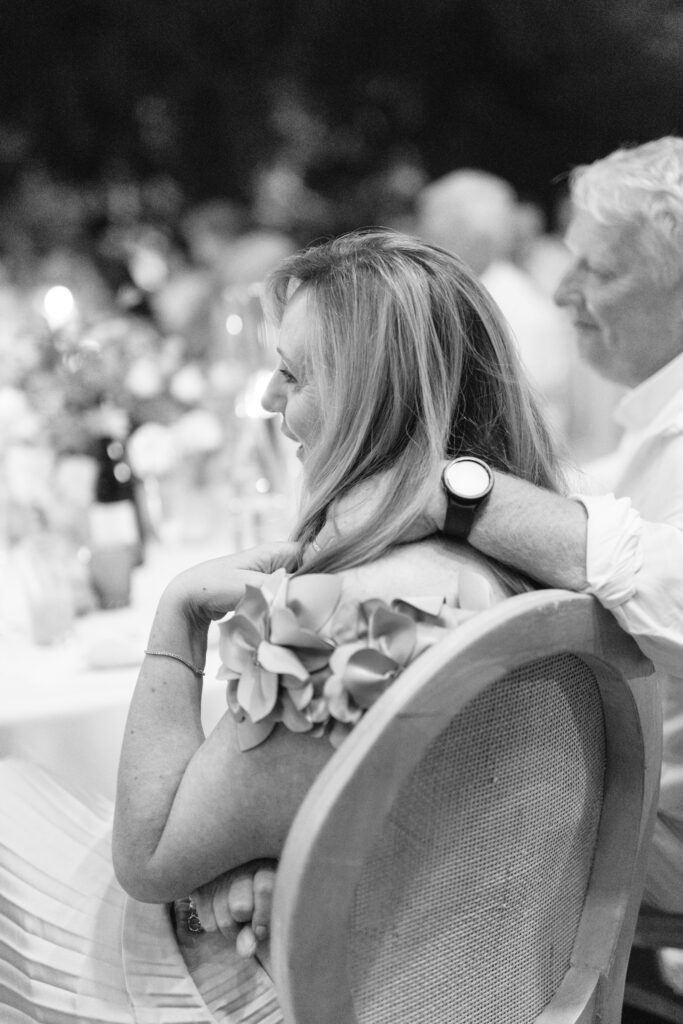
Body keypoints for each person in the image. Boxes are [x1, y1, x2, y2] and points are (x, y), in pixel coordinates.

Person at [0, 229, 564, 1022]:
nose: (268, 400)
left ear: (370, 396)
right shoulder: (527, 575)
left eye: (291, 375)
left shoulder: (346, 620)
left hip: (320, 995)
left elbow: (152, 856)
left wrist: (178, 614)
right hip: (471, 976)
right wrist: (268, 857)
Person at [329, 138, 683, 914]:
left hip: (657, 824)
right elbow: (593, 504)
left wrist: (452, 493)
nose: (563, 295)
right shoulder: (658, 413)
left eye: (600, 270)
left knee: (358, 806)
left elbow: (667, 581)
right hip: (621, 784)